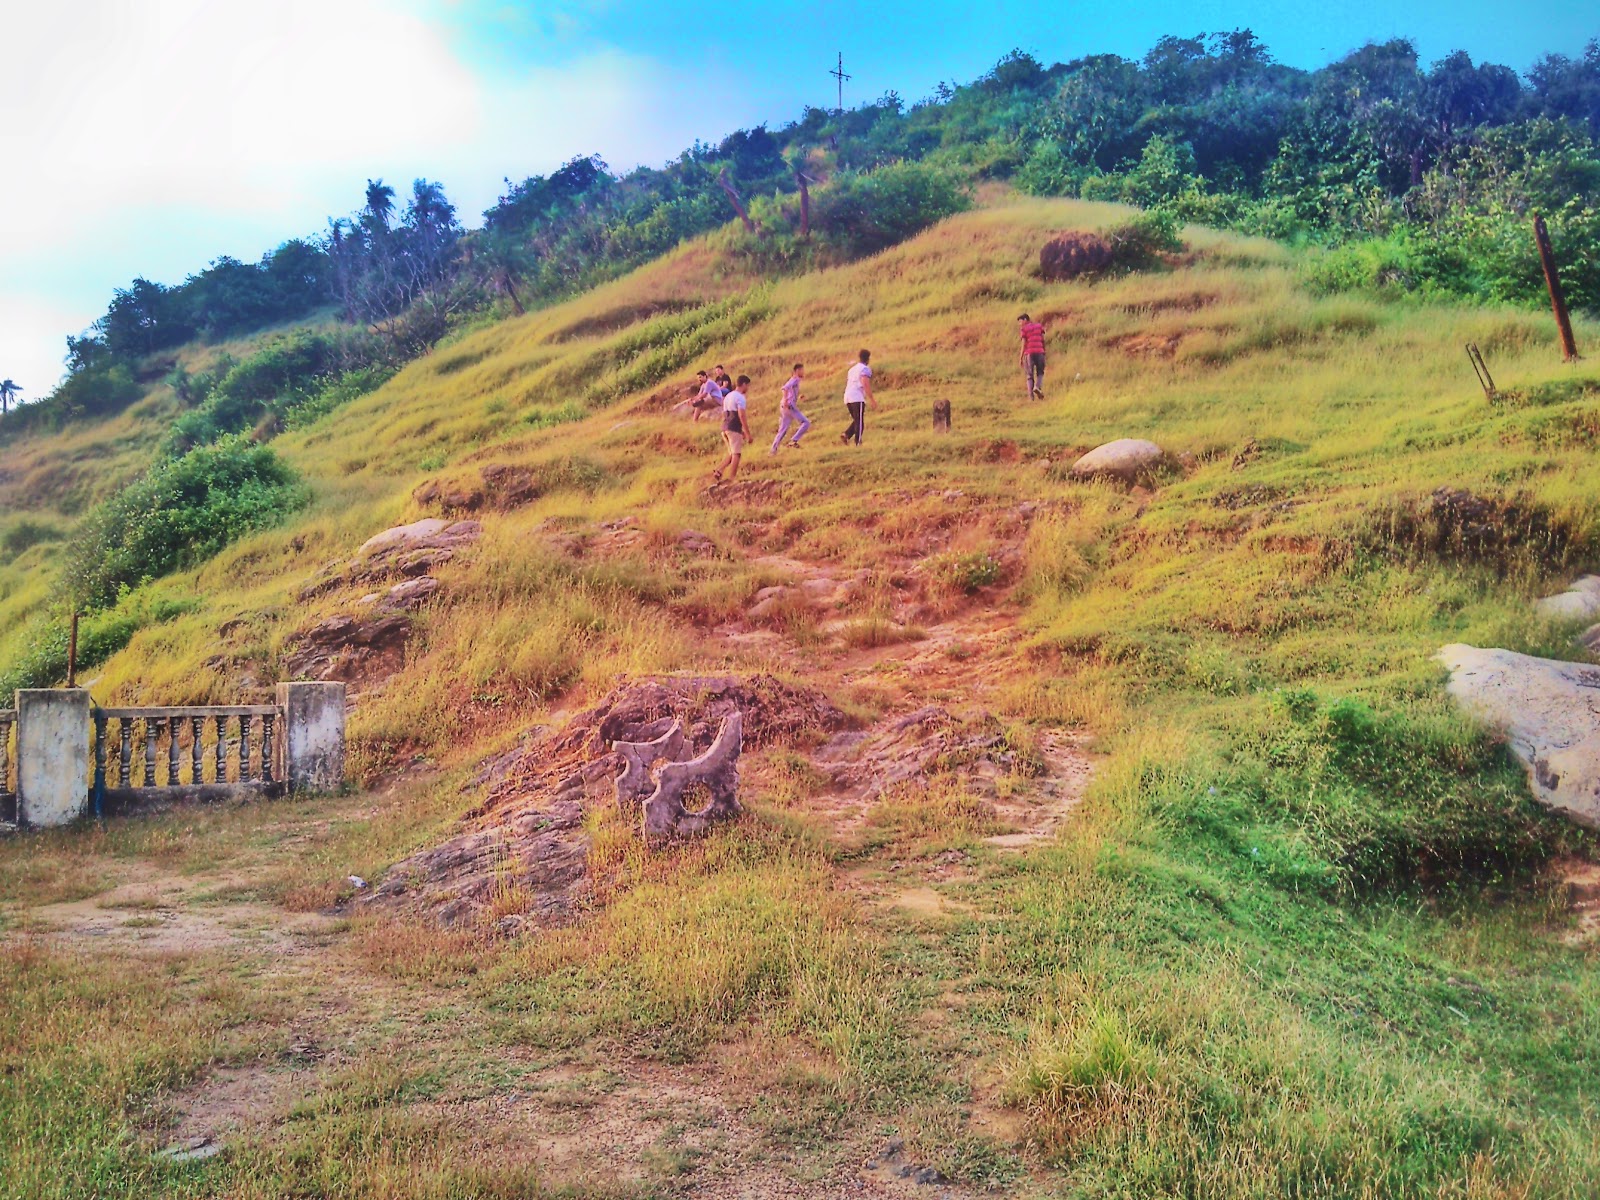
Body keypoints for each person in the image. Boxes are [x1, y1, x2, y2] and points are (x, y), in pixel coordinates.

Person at [712, 374, 753, 483]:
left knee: (731, 453)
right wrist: (747, 433)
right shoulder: (740, 398)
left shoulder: (728, 396)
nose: (748, 388)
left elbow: (725, 414)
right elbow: (741, 415)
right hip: (733, 428)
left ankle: (719, 470)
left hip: (725, 427)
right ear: (744, 384)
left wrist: (741, 431)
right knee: (736, 455)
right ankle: (732, 478)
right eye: (747, 386)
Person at [770, 363, 811, 453]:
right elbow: (785, 388)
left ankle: (773, 450)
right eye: (802, 370)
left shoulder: (795, 380)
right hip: (789, 405)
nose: (803, 372)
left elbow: (790, 391)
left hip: (785, 406)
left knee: (783, 430)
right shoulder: (795, 379)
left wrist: (797, 397)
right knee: (806, 422)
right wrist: (786, 400)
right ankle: (793, 440)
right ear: (797, 371)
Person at [840, 349, 874, 445]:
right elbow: (865, 383)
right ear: (868, 359)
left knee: (857, 420)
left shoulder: (852, 369)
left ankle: (846, 434)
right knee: (859, 422)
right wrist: (872, 399)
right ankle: (858, 442)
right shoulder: (865, 369)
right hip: (857, 397)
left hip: (847, 397)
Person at [1018, 313, 1047, 400]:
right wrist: (1044, 351)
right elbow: (1043, 340)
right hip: (1040, 352)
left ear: (1025, 320)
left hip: (1029, 353)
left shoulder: (1024, 329)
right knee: (1040, 373)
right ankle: (1037, 387)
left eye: (1020, 322)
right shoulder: (1039, 326)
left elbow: (1023, 344)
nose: (1020, 324)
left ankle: (1031, 397)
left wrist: (1021, 357)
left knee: (1029, 375)